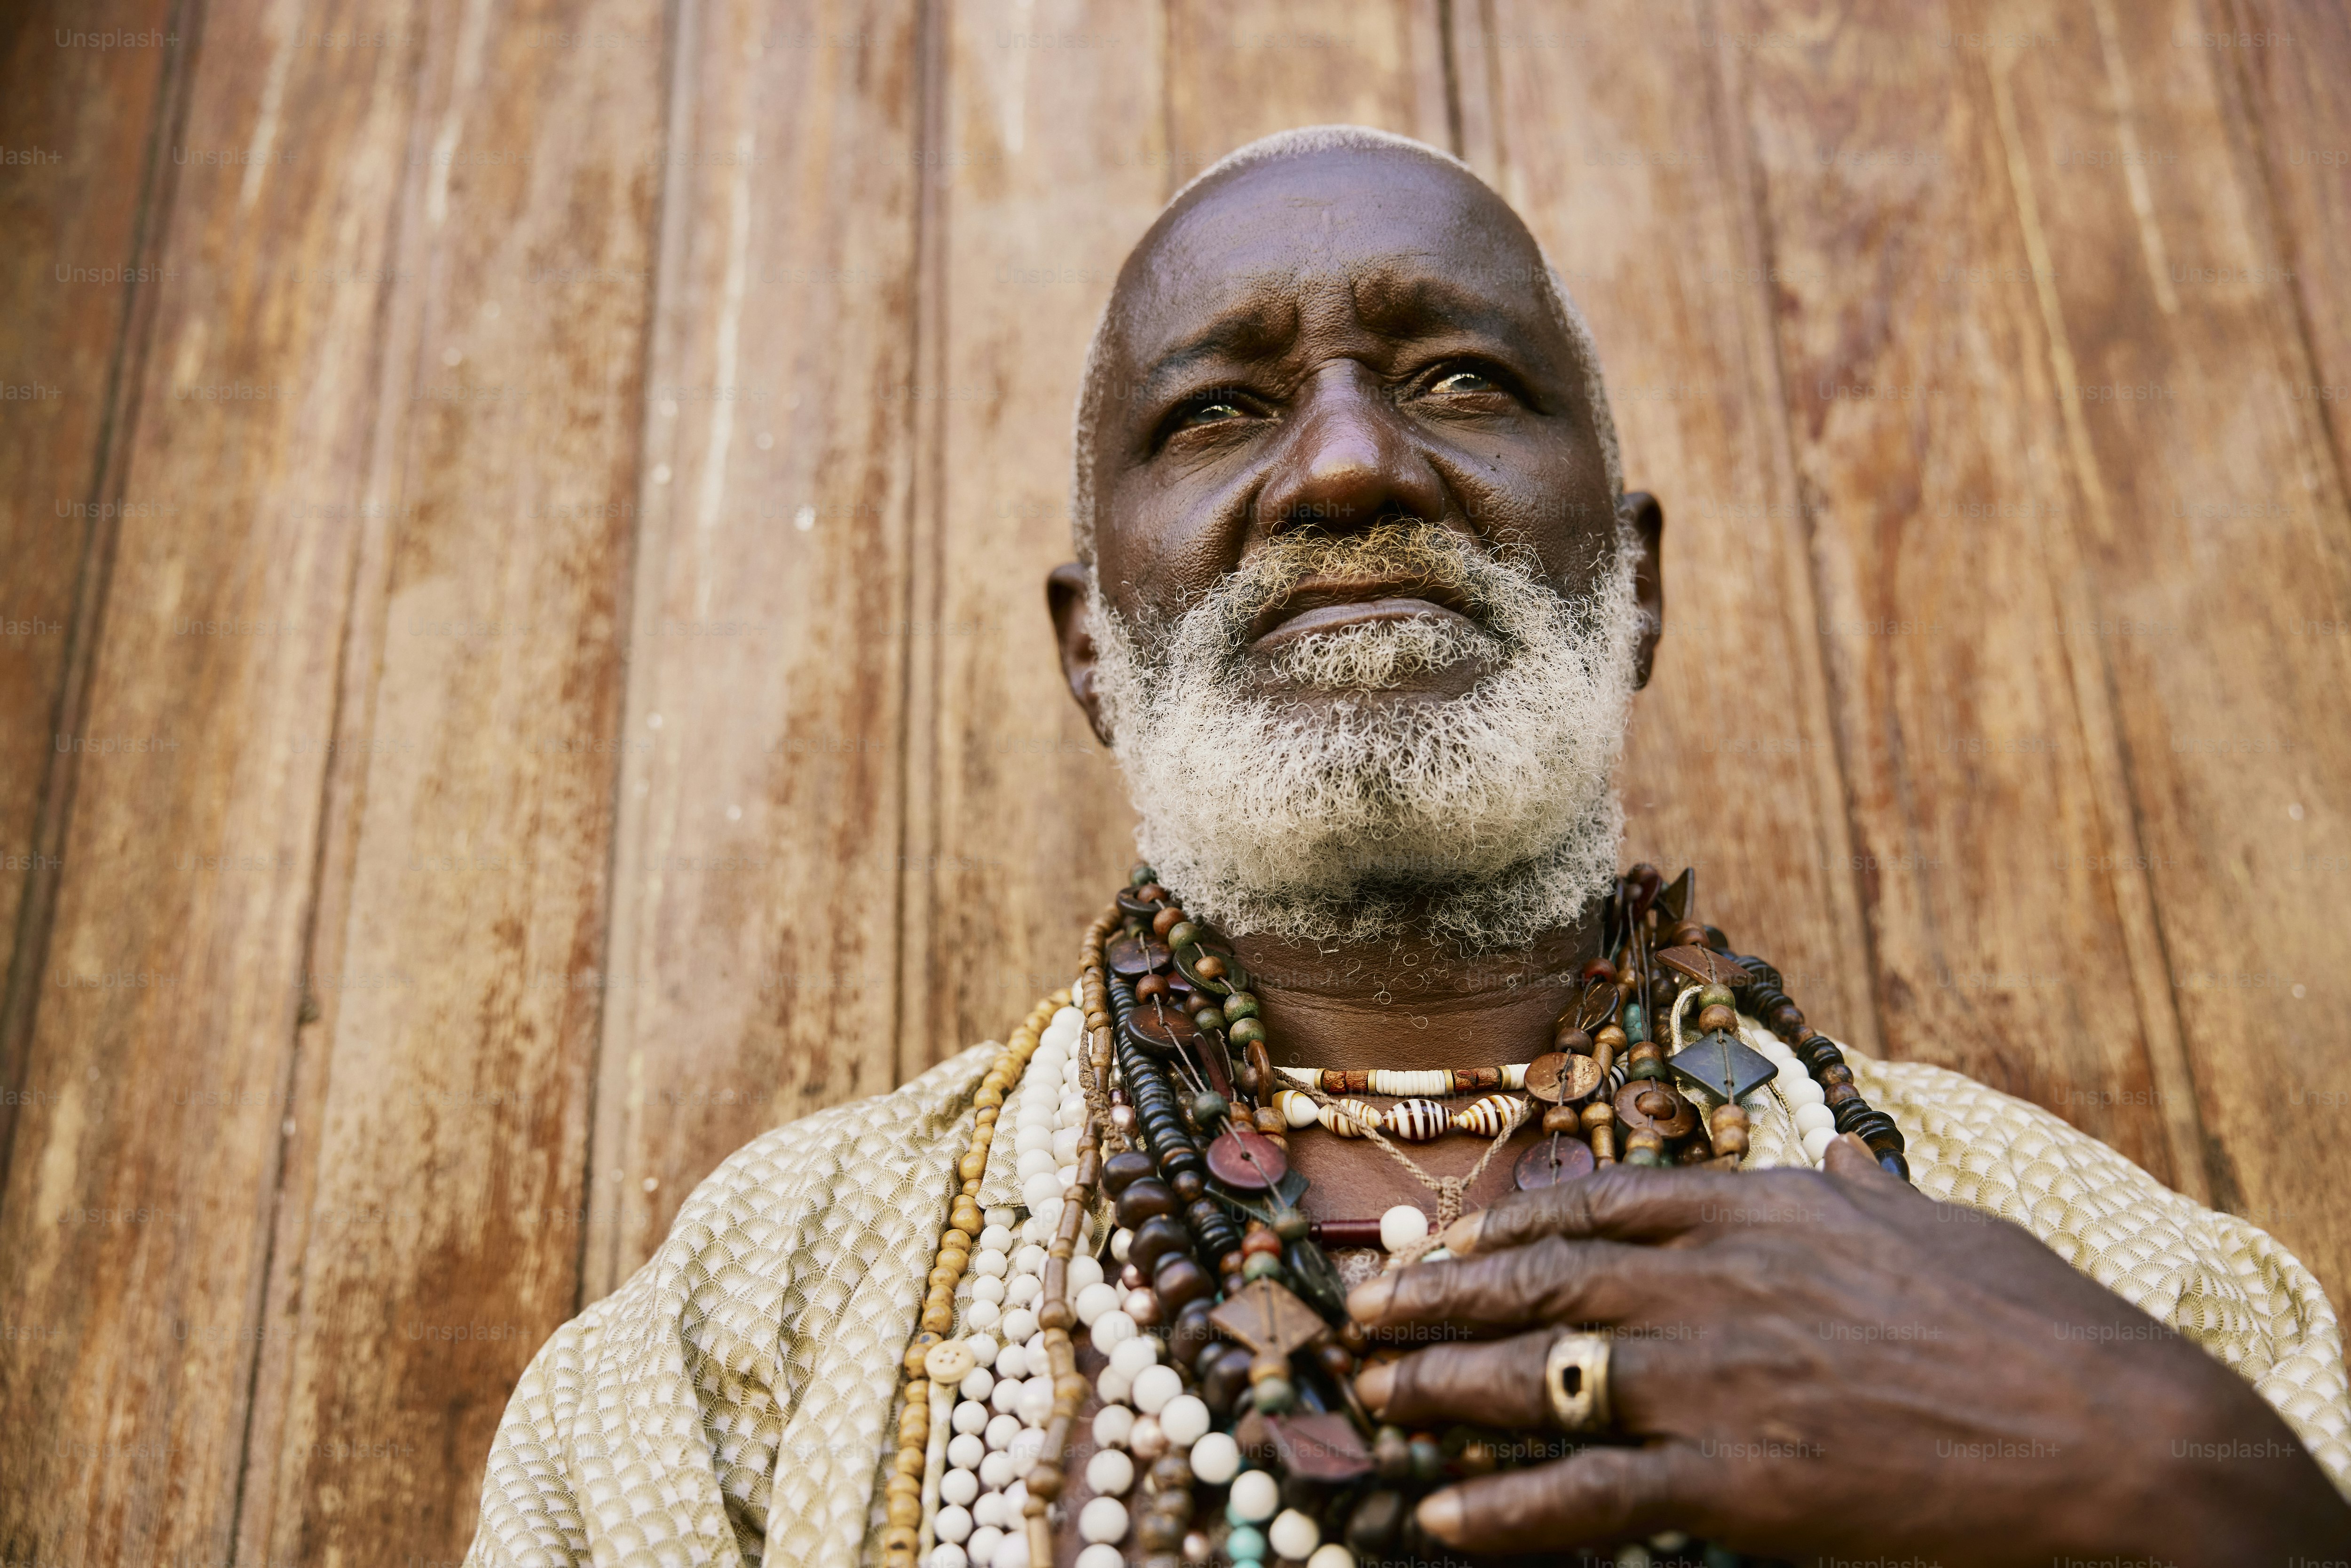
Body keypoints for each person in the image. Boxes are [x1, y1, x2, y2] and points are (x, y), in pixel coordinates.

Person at [465, 126, 2351, 1568]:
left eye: (1457, 378)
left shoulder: (2112, 1290)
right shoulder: (757, 1317)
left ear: (1632, 584)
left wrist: (2176, 1481)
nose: (1348, 466)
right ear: (1087, 654)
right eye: (1217, 410)